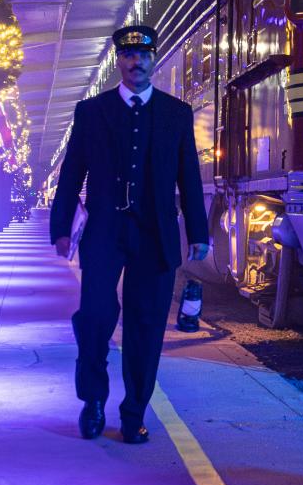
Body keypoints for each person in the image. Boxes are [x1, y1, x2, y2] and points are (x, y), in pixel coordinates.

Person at [49, 25, 211, 443]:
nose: (135, 62)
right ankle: (94, 400)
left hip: (155, 234)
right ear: (119, 61)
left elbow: (188, 176)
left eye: (143, 55)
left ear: (154, 59)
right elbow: (72, 174)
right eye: (128, 55)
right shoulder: (92, 111)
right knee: (96, 317)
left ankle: (134, 411)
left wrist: (198, 230)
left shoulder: (177, 113)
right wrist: (60, 228)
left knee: (147, 324)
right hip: (104, 231)